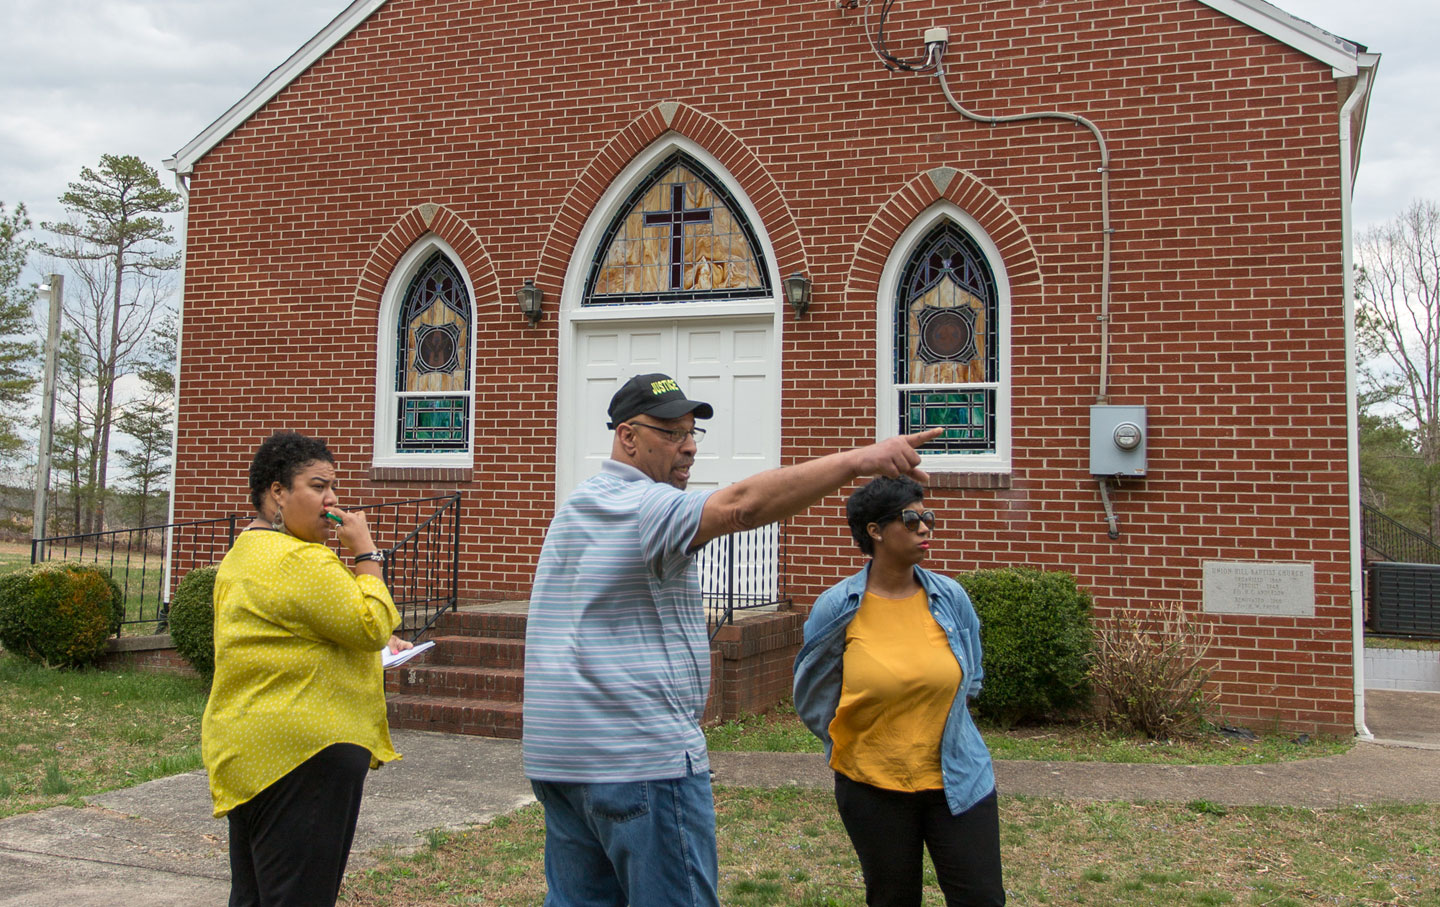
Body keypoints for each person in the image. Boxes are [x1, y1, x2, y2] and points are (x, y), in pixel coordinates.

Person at [523, 372, 942, 907]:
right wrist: (857, 461)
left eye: (693, 432)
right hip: (640, 764)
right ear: (628, 437)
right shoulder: (643, 507)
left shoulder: (578, 508)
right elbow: (742, 506)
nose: (690, 446)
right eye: (672, 433)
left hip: (560, 765)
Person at [201, 431, 412, 907]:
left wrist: (370, 646)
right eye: (318, 487)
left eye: (333, 487)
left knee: (254, 896)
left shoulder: (245, 553)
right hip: (305, 756)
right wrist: (365, 552)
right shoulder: (298, 558)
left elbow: (296, 633)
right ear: (277, 491)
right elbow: (372, 624)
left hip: (252, 751)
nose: (332, 500)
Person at [793, 476, 1004, 907]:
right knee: (892, 898)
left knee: (982, 898)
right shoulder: (838, 606)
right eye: (912, 519)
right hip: (872, 787)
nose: (925, 527)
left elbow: (972, 676)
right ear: (875, 530)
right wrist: (850, 743)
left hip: (959, 782)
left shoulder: (950, 597)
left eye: (927, 517)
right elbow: (813, 692)